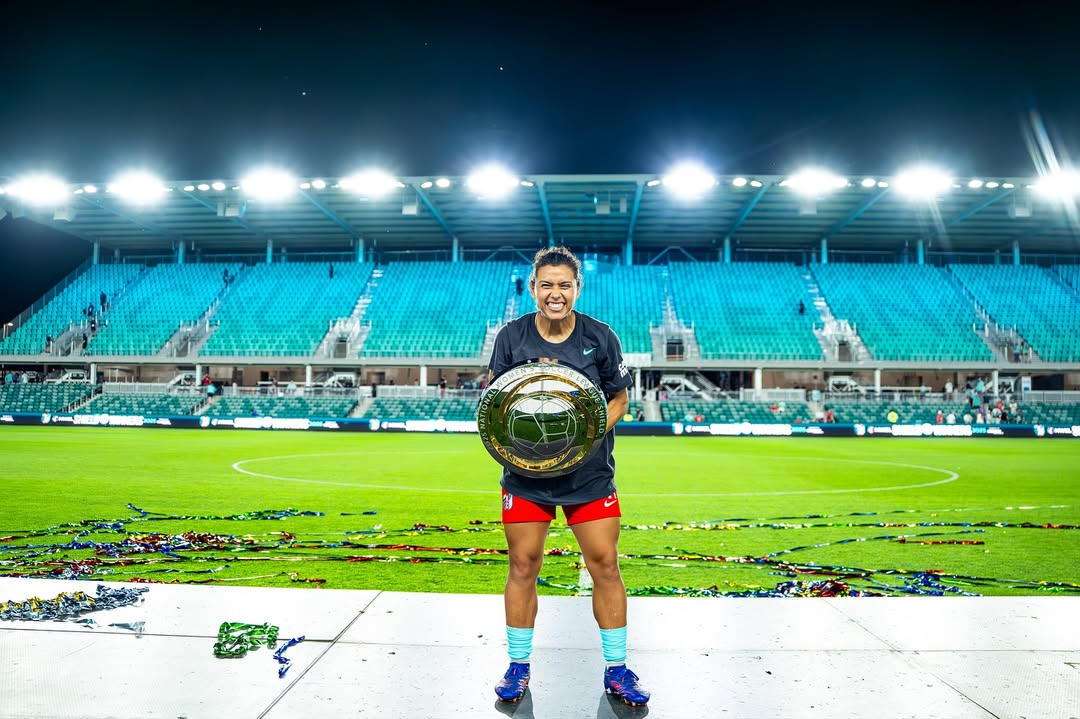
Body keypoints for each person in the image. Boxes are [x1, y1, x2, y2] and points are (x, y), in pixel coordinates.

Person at [487, 247, 648, 706]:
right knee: (523, 566)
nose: (555, 293)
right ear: (534, 287)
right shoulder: (511, 337)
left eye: (565, 285)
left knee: (605, 565)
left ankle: (617, 670)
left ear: (577, 288)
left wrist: (584, 432)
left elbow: (619, 400)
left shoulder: (600, 337)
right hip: (526, 477)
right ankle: (518, 667)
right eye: (546, 284)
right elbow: (497, 403)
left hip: (589, 476)